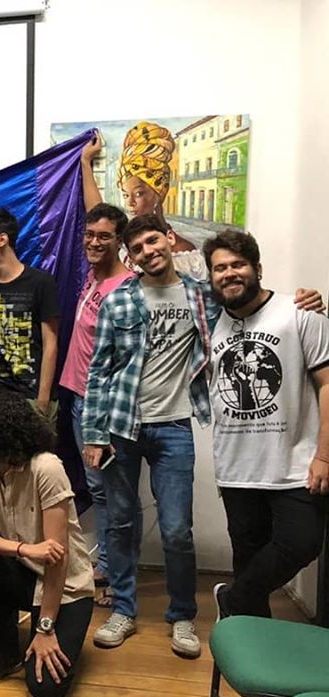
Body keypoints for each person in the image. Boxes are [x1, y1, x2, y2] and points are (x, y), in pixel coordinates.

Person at [81, 214, 323, 658]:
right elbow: (99, 370)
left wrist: (306, 300)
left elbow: (249, 300)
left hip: (174, 426)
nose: (148, 252)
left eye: (153, 241)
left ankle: (182, 615)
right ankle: (123, 610)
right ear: (130, 257)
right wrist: (94, 433)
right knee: (119, 522)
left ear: (168, 239)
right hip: (121, 425)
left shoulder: (202, 296)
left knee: (177, 530)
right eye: (137, 248)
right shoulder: (119, 301)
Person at [203, 231, 329, 619]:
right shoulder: (210, 324)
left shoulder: (300, 312)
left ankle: (232, 600)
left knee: (303, 541)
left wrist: (324, 456)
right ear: (211, 277)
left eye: (238, 264)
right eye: (220, 268)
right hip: (236, 468)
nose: (229, 273)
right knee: (248, 557)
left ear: (257, 268)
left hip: (294, 464)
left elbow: (327, 384)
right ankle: (249, 641)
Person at [0, 388, 94, 697]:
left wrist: (46, 627)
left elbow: (57, 559)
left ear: (2, 429)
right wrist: (23, 549)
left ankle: (48, 629)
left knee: (45, 691)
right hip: (24, 570)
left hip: (66, 587)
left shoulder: (46, 467)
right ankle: (4, 650)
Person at [58, 203, 138, 603]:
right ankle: (107, 566)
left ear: (119, 240)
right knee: (98, 489)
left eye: (104, 236)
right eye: (89, 234)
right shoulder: (93, 276)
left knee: (116, 494)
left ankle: (118, 578)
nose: (93, 242)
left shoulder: (128, 287)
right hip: (78, 397)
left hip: (101, 404)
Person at [0, 208, 60, 421]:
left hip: (31, 399)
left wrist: (43, 400)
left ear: (2, 240)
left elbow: (51, 344)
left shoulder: (41, 282)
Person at [80, 127, 204, 280]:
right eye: (126, 195)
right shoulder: (124, 239)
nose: (130, 202)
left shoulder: (183, 254)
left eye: (138, 193)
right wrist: (85, 162)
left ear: (159, 192)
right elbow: (97, 214)